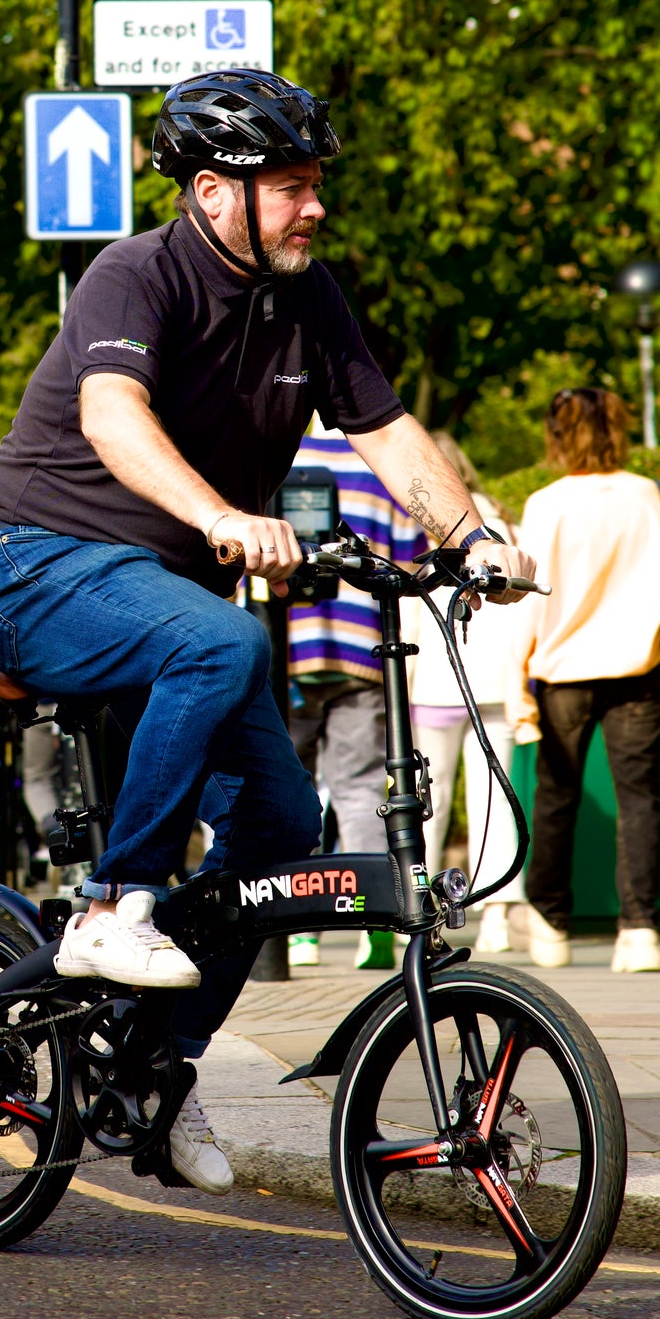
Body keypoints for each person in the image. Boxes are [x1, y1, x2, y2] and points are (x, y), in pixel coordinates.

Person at [0, 68, 535, 1194]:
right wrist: (225, 517)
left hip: (159, 600)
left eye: (318, 184)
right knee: (228, 645)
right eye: (291, 186)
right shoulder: (136, 275)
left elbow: (387, 430)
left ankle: (160, 1072)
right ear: (214, 192)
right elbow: (111, 417)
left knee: (283, 822)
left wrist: (472, 536)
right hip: (33, 565)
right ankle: (113, 906)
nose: (315, 206)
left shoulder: (308, 299)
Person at [510, 388, 660, 975]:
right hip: (639, 669)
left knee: (556, 796)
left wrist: (516, 676)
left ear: (556, 436)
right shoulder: (648, 494)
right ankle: (639, 931)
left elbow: (529, 599)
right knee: (640, 799)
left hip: (564, 669)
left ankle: (550, 925)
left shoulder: (546, 502)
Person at [284, 415, 425, 971]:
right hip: (359, 647)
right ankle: (373, 917)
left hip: (286, 649)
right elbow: (407, 555)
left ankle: (300, 927)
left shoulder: (277, 460)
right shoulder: (376, 465)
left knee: (286, 789)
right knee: (363, 783)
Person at [402, 432, 533, 954]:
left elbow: (411, 618)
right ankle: (498, 915)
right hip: (495, 686)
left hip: (433, 686)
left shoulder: (425, 538)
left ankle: (421, 914)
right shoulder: (507, 533)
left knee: (423, 807)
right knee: (494, 804)